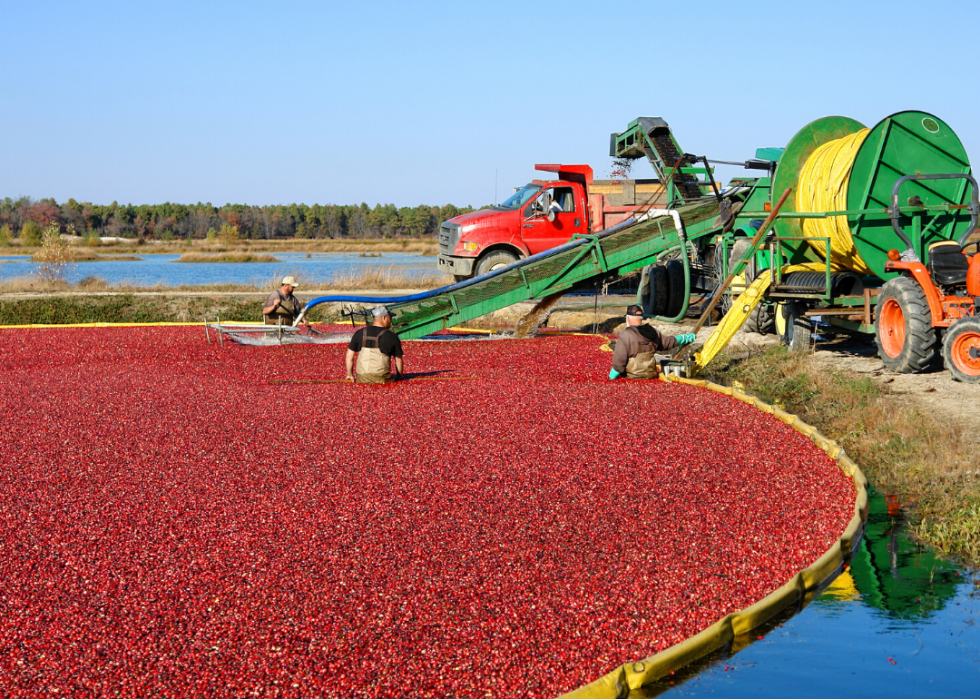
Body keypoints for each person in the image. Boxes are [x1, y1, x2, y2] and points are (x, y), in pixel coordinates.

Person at [609, 305, 695, 380]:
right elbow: (667, 342)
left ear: (628, 318)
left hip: (632, 377)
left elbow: (619, 362)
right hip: (651, 376)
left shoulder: (625, 335)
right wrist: (684, 338)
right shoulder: (651, 331)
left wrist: (611, 377)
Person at [345, 305, 404, 384]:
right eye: (390, 318)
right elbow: (398, 360)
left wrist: (350, 375)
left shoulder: (359, 333)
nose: (390, 321)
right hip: (382, 378)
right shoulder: (392, 336)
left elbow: (349, 356)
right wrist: (399, 376)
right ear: (384, 318)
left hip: (362, 378)